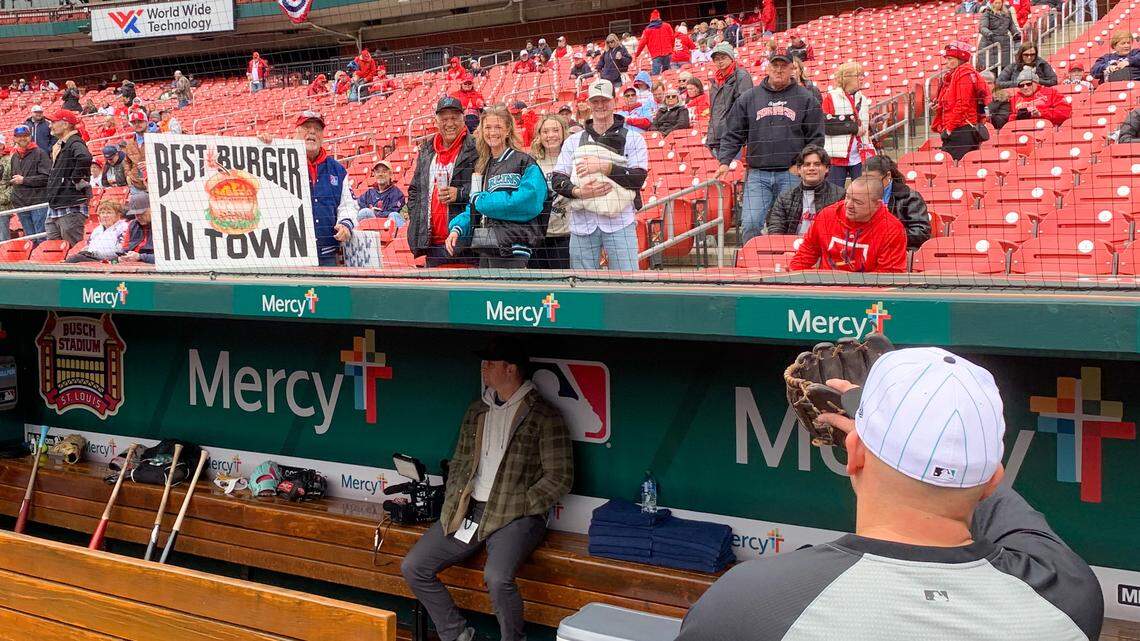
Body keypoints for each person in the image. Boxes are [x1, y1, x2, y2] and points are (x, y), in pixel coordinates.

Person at [679, 343, 1104, 641]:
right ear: (992, 476)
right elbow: (1005, 505)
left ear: (854, 454)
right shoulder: (1068, 596)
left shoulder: (749, 606)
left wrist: (874, 421)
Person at [401, 336, 573, 641]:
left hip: (517, 516)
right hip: (472, 510)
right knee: (414, 566)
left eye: (491, 363)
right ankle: (458, 635)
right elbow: (459, 463)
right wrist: (455, 501)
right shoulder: (477, 411)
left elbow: (559, 478)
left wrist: (519, 503)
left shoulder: (544, 416)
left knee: (497, 578)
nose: (484, 368)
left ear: (511, 369)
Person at [716, 52, 824, 244]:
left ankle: (787, 266)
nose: (779, 70)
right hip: (758, 174)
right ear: (767, 68)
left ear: (792, 69)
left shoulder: (806, 98)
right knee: (750, 223)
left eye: (784, 66)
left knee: (789, 225)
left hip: (790, 174)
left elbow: (815, 139)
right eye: (775, 65)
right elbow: (733, 132)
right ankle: (753, 265)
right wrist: (725, 161)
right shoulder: (749, 98)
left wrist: (800, 166)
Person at [551, 79, 649, 271]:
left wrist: (606, 168)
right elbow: (557, 179)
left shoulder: (633, 138)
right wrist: (578, 191)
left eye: (604, 100)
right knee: (583, 285)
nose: (600, 105)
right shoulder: (573, 141)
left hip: (620, 221)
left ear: (614, 101)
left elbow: (638, 178)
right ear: (589, 103)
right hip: (582, 223)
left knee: (627, 282)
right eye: (595, 101)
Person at [444, 106, 547, 268]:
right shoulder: (482, 166)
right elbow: (474, 206)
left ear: (507, 131)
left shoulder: (524, 162)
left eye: (498, 127)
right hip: (487, 245)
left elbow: (529, 201)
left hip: (514, 247)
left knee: (508, 293)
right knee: (489, 293)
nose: (492, 132)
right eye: (488, 127)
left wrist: (482, 201)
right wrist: (457, 228)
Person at [407, 97, 478, 266]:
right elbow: (414, 190)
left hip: (467, 242)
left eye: (454, 118)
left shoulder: (476, 147)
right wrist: (419, 218)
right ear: (437, 122)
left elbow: (486, 186)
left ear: (463, 119)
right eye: (444, 119)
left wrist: (460, 193)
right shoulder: (426, 150)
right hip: (432, 244)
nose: (449, 123)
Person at [787, 176, 906, 272]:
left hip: (867, 294)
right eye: (847, 197)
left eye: (857, 202)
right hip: (826, 289)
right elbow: (805, 255)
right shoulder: (827, 215)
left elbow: (889, 275)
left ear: (877, 204)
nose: (848, 205)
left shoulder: (892, 229)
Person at [766, 145, 845, 236]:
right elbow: (776, 228)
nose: (811, 168)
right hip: (791, 247)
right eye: (807, 164)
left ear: (827, 168)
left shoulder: (840, 196)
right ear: (799, 169)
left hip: (824, 247)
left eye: (817, 164)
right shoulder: (785, 197)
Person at [932, 41, 990, 161]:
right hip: (959, 128)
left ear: (959, 59)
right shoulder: (956, 74)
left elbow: (962, 105)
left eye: (950, 58)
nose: (946, 62)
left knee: (954, 169)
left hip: (961, 130)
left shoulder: (963, 74)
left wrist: (948, 129)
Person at [43, 109, 92, 247]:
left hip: (70, 206)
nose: (50, 125)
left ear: (65, 125)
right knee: (54, 250)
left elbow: (85, 157)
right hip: (57, 205)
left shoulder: (75, 142)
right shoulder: (63, 144)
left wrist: (75, 179)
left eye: (53, 122)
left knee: (72, 249)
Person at [862, 154, 932, 249]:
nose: (869, 184)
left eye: (873, 179)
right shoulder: (861, 197)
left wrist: (890, 236)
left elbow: (921, 233)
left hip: (899, 249)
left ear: (888, 175)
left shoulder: (910, 197)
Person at [529, 115, 571, 268]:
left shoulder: (571, 161)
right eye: (545, 131)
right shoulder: (532, 163)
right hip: (538, 236)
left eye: (555, 130)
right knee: (539, 286)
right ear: (539, 135)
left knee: (560, 287)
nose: (551, 135)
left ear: (563, 133)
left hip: (565, 235)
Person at [822, 61, 871, 187]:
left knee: (863, 193)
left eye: (862, 75)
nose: (862, 78)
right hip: (837, 156)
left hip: (860, 156)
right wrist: (853, 128)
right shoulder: (831, 97)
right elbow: (826, 125)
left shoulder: (863, 99)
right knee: (835, 194)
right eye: (858, 75)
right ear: (846, 78)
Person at [706, 43, 753, 161]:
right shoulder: (716, 80)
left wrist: (736, 132)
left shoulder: (741, 76)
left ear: (731, 58)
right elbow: (714, 112)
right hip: (716, 135)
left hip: (732, 136)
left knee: (732, 172)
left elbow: (744, 106)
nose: (720, 61)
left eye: (723, 57)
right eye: (716, 59)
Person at [9, 124, 50, 242]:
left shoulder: (40, 153)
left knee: (41, 238)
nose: (22, 138)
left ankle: (43, 261)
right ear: (14, 138)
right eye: (19, 136)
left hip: (37, 202)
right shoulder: (15, 156)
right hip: (21, 203)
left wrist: (24, 180)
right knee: (30, 239)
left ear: (30, 136)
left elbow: (46, 177)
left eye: (25, 135)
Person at [356, 160, 407, 228]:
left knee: (394, 215)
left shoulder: (397, 194)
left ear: (390, 174)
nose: (380, 174)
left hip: (388, 228)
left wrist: (376, 213)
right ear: (374, 174)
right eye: (377, 172)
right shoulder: (369, 193)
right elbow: (358, 206)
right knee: (364, 212)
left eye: (384, 171)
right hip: (371, 229)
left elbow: (394, 213)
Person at [977, 0, 1020, 70]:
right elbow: (982, 27)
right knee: (991, 67)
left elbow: (1011, 25)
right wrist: (988, 33)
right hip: (990, 42)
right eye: (996, 3)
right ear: (992, 3)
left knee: (1004, 66)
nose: (998, 4)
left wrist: (1015, 33)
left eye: (999, 3)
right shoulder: (987, 13)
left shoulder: (1007, 13)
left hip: (1004, 44)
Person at [635, 9, 676, 75]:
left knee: (655, 76)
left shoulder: (647, 30)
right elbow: (672, 38)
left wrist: (637, 54)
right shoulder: (667, 26)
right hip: (668, 53)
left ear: (651, 19)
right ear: (659, 18)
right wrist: (671, 48)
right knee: (669, 74)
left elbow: (642, 43)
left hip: (656, 55)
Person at [119, 191, 154, 264]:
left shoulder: (163, 225)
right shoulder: (132, 224)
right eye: (135, 214)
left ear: (152, 208)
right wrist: (123, 257)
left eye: (141, 213)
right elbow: (124, 250)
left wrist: (140, 257)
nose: (138, 217)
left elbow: (166, 258)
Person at [122, 111, 150, 192]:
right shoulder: (129, 143)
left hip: (156, 182)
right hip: (136, 185)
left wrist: (150, 163)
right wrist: (128, 175)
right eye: (134, 122)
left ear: (146, 121)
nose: (137, 124)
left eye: (140, 121)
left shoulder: (156, 138)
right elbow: (127, 162)